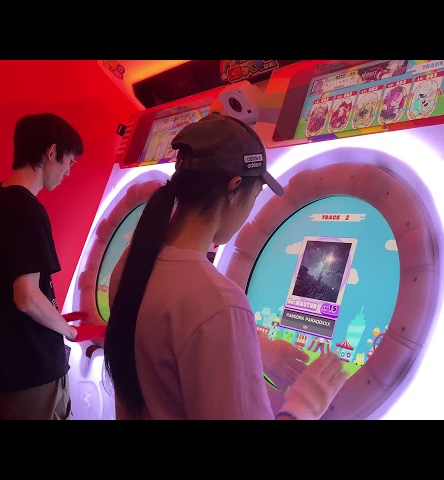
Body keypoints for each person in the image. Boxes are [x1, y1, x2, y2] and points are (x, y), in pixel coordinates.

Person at [103, 112, 348, 420]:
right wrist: (307, 403)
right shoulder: (219, 302)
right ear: (234, 188)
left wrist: (253, 349)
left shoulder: (131, 262)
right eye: (255, 194)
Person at [0, 113, 84, 420]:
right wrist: (68, 330)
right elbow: (27, 297)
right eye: (70, 161)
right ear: (52, 151)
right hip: (32, 368)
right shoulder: (27, 209)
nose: (68, 172)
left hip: (4, 367)